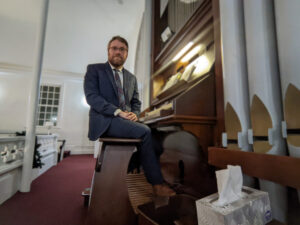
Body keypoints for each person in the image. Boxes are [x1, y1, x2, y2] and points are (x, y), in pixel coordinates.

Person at [84, 36, 175, 197]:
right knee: (145, 132)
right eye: (114, 48)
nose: (118, 52)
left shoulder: (131, 78)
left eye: (122, 49)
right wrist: (118, 112)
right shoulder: (95, 70)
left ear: (126, 53)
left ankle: (127, 167)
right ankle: (156, 184)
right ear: (108, 51)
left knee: (156, 137)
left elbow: (136, 102)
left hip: (124, 121)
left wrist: (135, 113)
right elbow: (92, 97)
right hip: (105, 120)